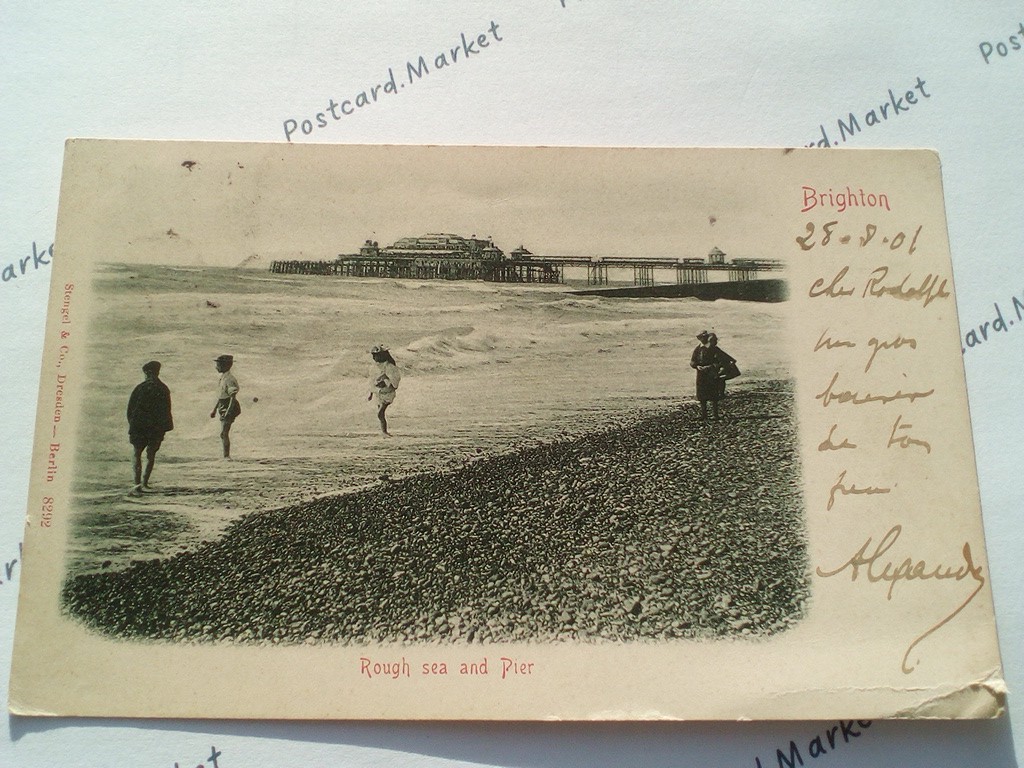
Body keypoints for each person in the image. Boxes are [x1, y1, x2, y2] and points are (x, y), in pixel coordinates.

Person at [126, 360, 173, 495]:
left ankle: (137, 485)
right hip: (156, 429)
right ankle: (145, 483)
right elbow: (166, 411)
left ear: (147, 372)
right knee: (150, 455)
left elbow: (130, 409)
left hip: (139, 427)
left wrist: (132, 424)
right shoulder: (164, 388)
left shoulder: (140, 388)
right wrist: (164, 428)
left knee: (137, 453)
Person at [689, 331, 738, 421]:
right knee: (702, 394)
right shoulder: (698, 349)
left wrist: (712, 366)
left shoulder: (714, 349)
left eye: (703, 337)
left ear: (706, 338)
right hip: (701, 374)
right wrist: (696, 366)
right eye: (700, 337)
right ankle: (704, 415)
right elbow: (692, 361)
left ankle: (715, 415)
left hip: (711, 373)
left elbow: (723, 360)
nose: (701, 339)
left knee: (713, 395)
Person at [209, 354, 240, 458]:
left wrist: (228, 411)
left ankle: (226, 456)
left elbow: (232, 397)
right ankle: (226, 456)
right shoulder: (223, 378)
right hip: (223, 405)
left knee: (224, 433)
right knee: (223, 433)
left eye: (218, 365)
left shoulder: (229, 379)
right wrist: (214, 409)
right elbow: (220, 396)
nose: (216, 367)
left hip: (229, 406)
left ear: (225, 366)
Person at [368, 344, 401, 436]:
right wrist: (371, 393)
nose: (374, 357)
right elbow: (371, 380)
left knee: (380, 413)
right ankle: (384, 431)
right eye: (373, 355)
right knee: (381, 415)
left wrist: (386, 380)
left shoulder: (390, 366)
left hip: (387, 393)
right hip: (378, 393)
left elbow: (395, 380)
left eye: (376, 355)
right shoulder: (374, 367)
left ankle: (384, 432)